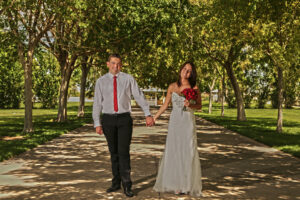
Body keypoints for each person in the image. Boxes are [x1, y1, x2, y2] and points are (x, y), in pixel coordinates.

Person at [92, 54, 154, 197]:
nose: (116, 66)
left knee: (123, 153)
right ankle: (115, 183)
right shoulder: (100, 82)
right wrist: (97, 123)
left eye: (118, 64)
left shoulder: (128, 79)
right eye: (113, 63)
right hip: (108, 119)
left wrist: (147, 113)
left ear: (121, 65)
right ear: (108, 64)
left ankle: (127, 185)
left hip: (124, 119)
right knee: (113, 153)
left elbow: (139, 96)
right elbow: (97, 103)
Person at [153, 61, 202, 197]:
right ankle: (176, 184)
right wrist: (154, 117)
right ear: (180, 69)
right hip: (175, 122)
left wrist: (190, 104)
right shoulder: (172, 86)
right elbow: (165, 105)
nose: (186, 71)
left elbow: (199, 106)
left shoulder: (194, 87)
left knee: (188, 151)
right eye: (184, 68)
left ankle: (186, 184)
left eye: (189, 70)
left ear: (191, 74)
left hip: (187, 121)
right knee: (175, 151)